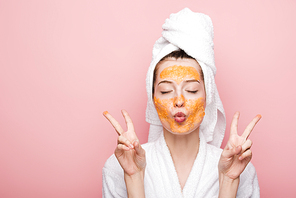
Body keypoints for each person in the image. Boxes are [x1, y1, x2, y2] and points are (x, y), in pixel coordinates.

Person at [102, 8, 261, 198]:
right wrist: (134, 177)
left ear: (208, 96)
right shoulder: (119, 166)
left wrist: (228, 181)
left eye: (192, 90)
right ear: (153, 98)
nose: (179, 101)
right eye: (166, 91)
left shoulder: (240, 168)